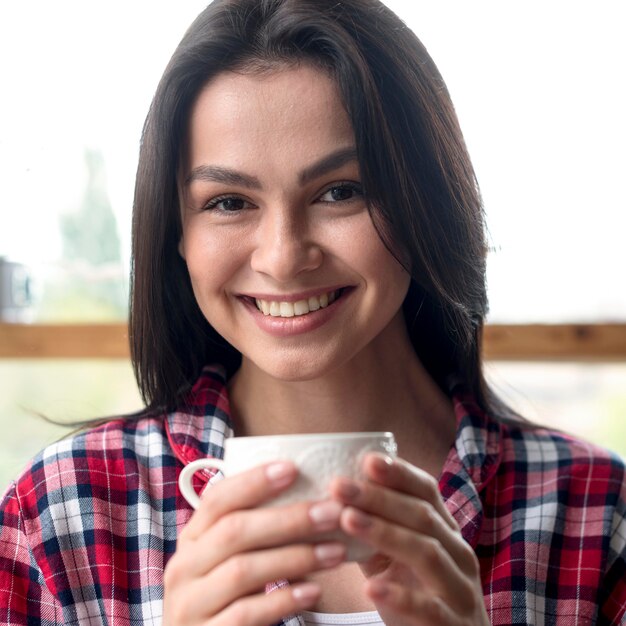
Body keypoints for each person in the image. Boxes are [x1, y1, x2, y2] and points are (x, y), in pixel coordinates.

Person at [1, 0, 625, 624]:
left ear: (423, 204)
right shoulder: (59, 516)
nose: (282, 257)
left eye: (340, 192)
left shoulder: (598, 515)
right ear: (177, 236)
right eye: (227, 202)